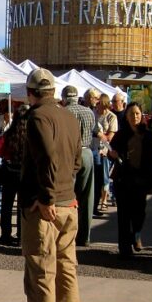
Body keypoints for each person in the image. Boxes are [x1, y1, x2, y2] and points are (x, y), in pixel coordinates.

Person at [6, 68, 83, 302]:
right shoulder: (69, 117)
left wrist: (46, 197)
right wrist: (62, 191)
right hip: (68, 205)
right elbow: (76, 160)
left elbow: (48, 158)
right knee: (66, 274)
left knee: (41, 276)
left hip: (46, 209)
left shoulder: (37, 117)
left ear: (31, 92)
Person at [108, 103, 152, 257]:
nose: (134, 117)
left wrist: (151, 182)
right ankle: (125, 249)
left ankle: (136, 234)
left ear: (141, 115)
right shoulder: (121, 134)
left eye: (137, 114)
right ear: (127, 116)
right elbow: (111, 150)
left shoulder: (148, 136)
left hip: (141, 180)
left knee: (139, 213)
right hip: (123, 179)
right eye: (131, 114)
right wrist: (113, 154)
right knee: (123, 215)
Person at [60, 86, 96, 246]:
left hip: (70, 154)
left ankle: (68, 234)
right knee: (88, 196)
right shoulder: (89, 112)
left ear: (64, 97)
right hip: (87, 152)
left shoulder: (63, 112)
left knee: (68, 195)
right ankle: (85, 236)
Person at [0, 103, 29, 246]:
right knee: (22, 206)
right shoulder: (31, 136)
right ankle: (22, 236)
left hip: (9, 171)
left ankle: (5, 235)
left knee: (6, 206)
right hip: (24, 172)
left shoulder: (8, 134)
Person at [94, 93, 118, 215]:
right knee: (95, 178)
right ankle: (95, 200)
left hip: (105, 150)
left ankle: (104, 200)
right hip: (93, 148)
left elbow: (110, 137)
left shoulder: (111, 117)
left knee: (104, 177)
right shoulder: (93, 114)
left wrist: (99, 134)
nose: (98, 106)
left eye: (100, 103)